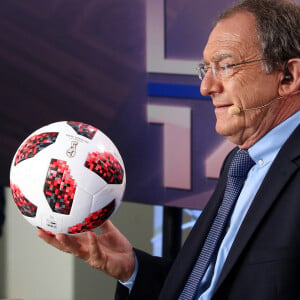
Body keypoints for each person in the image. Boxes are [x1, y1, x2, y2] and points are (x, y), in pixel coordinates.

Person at [38, 0, 300, 299]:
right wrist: (132, 269)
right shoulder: (240, 163)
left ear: (288, 76)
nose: (207, 87)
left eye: (226, 66)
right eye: (206, 69)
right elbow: (207, 285)